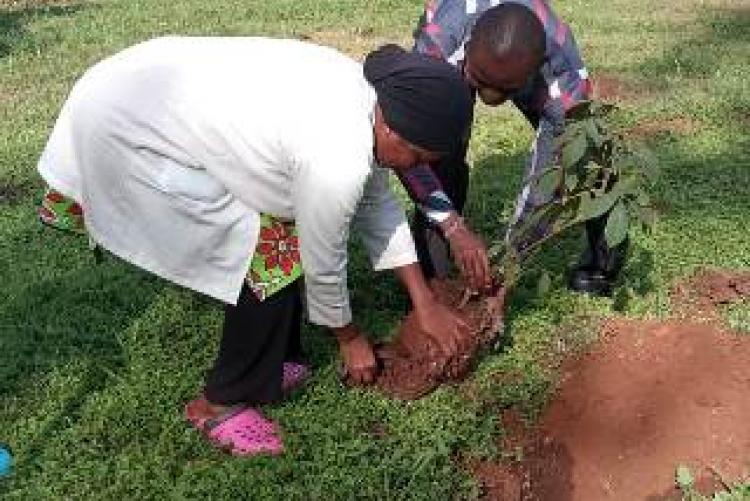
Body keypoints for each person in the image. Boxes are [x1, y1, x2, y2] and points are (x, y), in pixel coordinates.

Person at [35, 36, 474, 455]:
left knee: (279, 235)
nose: (415, 168)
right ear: (390, 129)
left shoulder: (375, 105)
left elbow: (379, 205)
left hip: (142, 91)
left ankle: (271, 363)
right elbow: (324, 262)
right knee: (267, 252)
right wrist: (350, 338)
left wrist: (424, 302)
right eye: (416, 157)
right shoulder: (336, 156)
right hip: (129, 132)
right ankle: (219, 404)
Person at [400, 0, 628, 296]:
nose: (489, 97)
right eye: (480, 82)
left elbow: (548, 179)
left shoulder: (562, 72)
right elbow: (407, 147)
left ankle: (601, 262)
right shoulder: (437, 47)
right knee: (439, 152)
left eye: (505, 90)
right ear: (467, 49)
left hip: (524, 67)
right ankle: (435, 274)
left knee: (584, 152)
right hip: (459, 48)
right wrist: (451, 225)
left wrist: (509, 264)